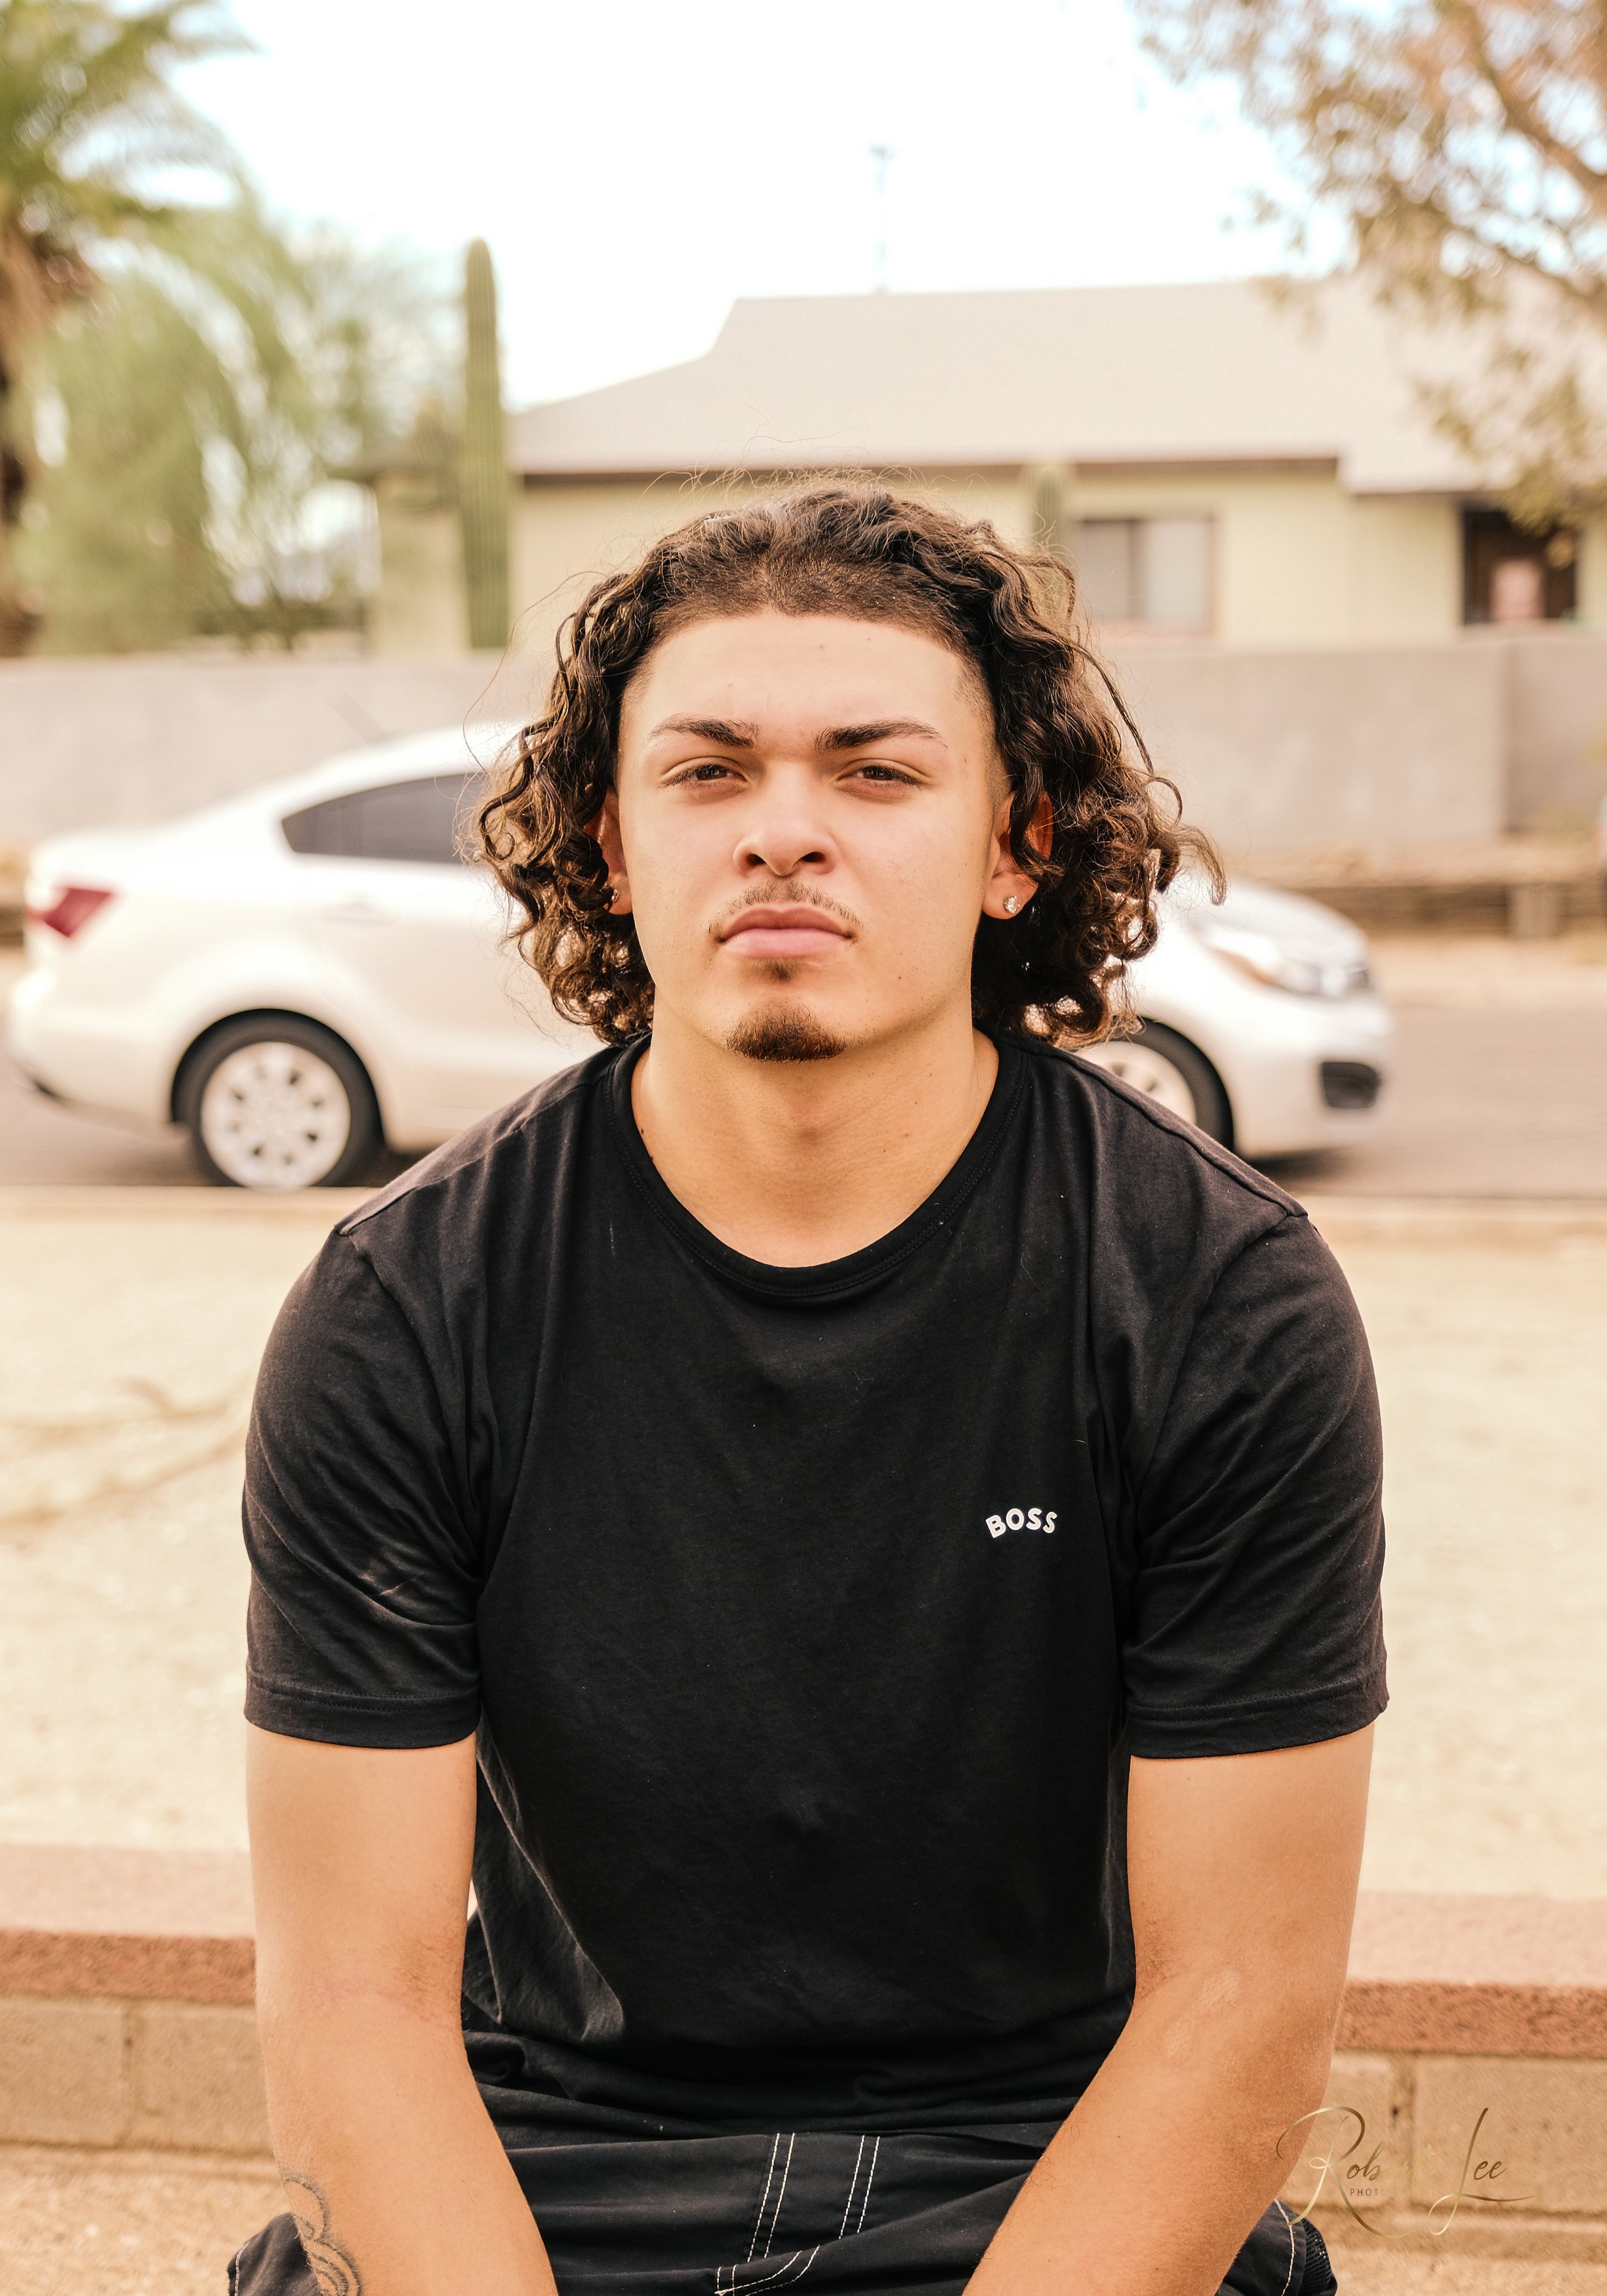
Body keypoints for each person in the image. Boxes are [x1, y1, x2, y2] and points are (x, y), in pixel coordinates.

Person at [234, 485, 1385, 2296]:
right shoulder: (408, 1307)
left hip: (1037, 2163)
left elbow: (1240, 2005)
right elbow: (353, 2002)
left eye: (871, 771)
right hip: (556, 2163)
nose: (783, 830)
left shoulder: (1212, 1298)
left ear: (1014, 844)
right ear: (610, 841)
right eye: (706, 772)